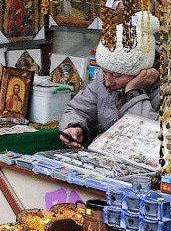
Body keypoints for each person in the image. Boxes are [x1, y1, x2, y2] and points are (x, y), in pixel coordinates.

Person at [59, 11, 161, 148]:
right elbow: (78, 110)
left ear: (143, 71)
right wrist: (76, 127)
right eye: (104, 71)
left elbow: (150, 137)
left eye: (117, 76)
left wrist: (134, 92)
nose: (107, 81)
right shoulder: (106, 77)